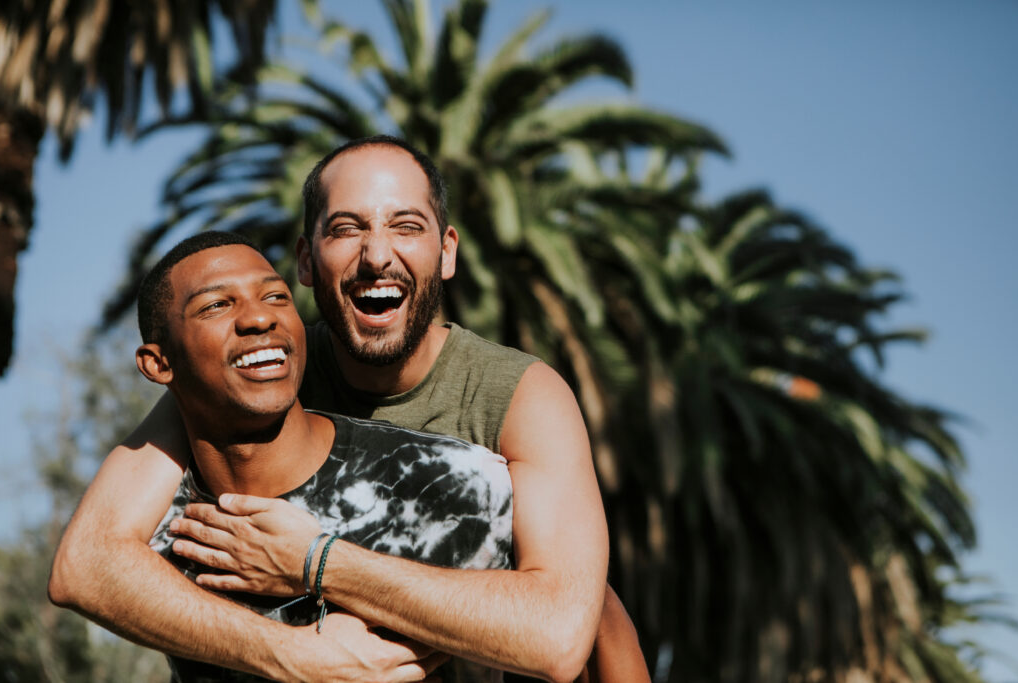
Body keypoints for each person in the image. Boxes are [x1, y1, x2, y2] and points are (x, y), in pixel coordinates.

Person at [49, 136, 650, 682]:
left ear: (446, 252)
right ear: (307, 261)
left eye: (406, 226)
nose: (377, 256)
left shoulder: (518, 395)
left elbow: (564, 628)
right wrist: (295, 655)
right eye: (346, 228)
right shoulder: (265, 369)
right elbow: (88, 562)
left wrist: (316, 562)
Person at [135, 231, 514, 681]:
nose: (258, 317)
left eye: (276, 296)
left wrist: (321, 562)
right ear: (159, 365)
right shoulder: (156, 537)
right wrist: (294, 656)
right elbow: (78, 573)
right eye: (216, 305)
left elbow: (585, 623)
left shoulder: (440, 481)